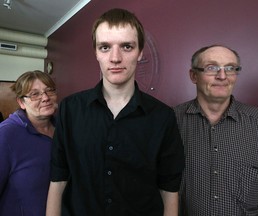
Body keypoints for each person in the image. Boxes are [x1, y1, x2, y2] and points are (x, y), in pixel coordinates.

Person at [46, 8, 184, 216]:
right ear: (96, 53)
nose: (115, 57)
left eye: (127, 46)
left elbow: (169, 189)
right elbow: (58, 178)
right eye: (105, 47)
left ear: (139, 53)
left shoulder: (163, 117)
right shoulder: (70, 109)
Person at [174, 44, 258, 215]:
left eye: (230, 68)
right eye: (211, 68)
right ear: (194, 76)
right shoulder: (170, 122)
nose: (222, 76)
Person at [0, 70, 58, 216]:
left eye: (49, 91)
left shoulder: (63, 129)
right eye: (34, 94)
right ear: (21, 102)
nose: (45, 98)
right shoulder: (6, 134)